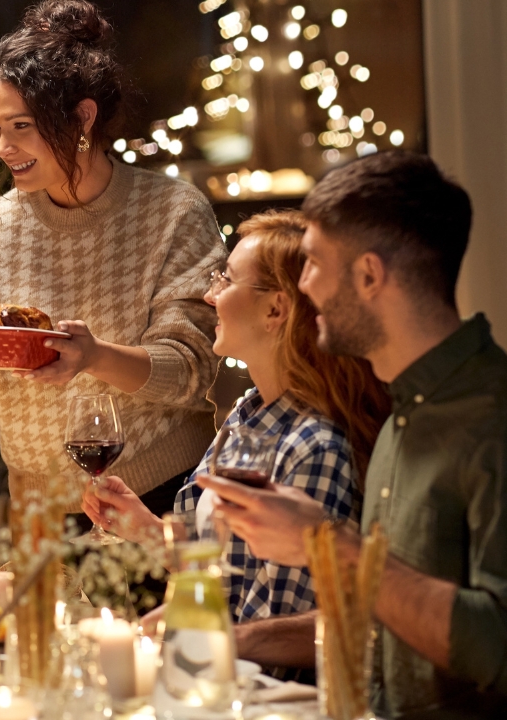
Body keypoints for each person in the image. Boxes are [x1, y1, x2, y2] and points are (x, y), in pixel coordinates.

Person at [199, 151, 507, 718]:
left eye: (313, 264)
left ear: (370, 275)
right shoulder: (404, 411)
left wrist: (326, 545)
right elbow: (392, 611)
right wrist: (244, 639)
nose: (304, 288)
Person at [0, 0, 225, 522]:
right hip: (40, 514)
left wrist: (94, 356)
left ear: (82, 117)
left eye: (22, 126)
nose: (3, 147)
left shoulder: (171, 212)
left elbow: (194, 371)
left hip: (160, 499)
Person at [81, 210, 390, 680]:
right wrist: (145, 528)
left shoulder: (314, 446)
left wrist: (184, 646)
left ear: (275, 310)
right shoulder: (246, 415)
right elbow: (222, 563)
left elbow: (272, 636)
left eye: (225, 280)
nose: (210, 295)